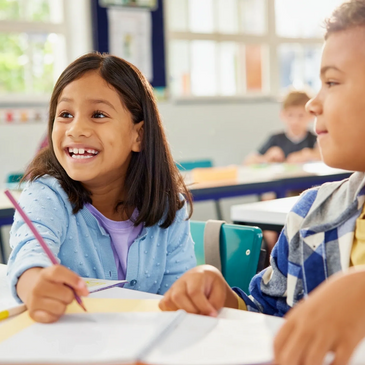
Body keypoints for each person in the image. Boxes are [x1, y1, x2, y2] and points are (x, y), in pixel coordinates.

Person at [159, 1, 365, 364]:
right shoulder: (312, 215)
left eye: (331, 82)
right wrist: (224, 298)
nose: (314, 103)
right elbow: (270, 317)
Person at [7, 53, 196, 323]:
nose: (76, 129)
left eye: (98, 114)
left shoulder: (169, 207)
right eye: (65, 114)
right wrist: (35, 282)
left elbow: (178, 299)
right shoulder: (46, 195)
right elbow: (29, 255)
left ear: (138, 135)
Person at [245, 90, 321, 164]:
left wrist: (309, 155)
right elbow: (248, 162)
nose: (295, 121)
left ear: (311, 116)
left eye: (301, 116)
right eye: (290, 115)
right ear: (282, 115)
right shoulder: (275, 139)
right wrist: (267, 158)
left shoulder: (315, 140)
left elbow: (327, 160)